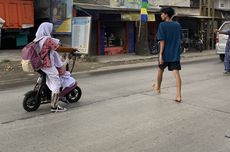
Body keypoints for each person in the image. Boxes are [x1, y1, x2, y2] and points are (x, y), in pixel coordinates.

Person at [34, 22, 77, 112]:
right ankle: (54, 106)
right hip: (47, 65)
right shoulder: (47, 39)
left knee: (48, 79)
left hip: (40, 65)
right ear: (46, 29)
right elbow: (58, 48)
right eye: (50, 29)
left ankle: (46, 94)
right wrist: (71, 49)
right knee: (56, 83)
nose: (51, 31)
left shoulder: (37, 39)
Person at [152, 7, 182, 102]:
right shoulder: (178, 25)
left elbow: (162, 41)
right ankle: (178, 96)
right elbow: (181, 38)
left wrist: (160, 54)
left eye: (162, 14)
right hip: (175, 53)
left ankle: (158, 88)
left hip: (165, 53)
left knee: (160, 69)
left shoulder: (162, 25)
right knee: (176, 73)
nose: (161, 15)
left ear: (166, 14)